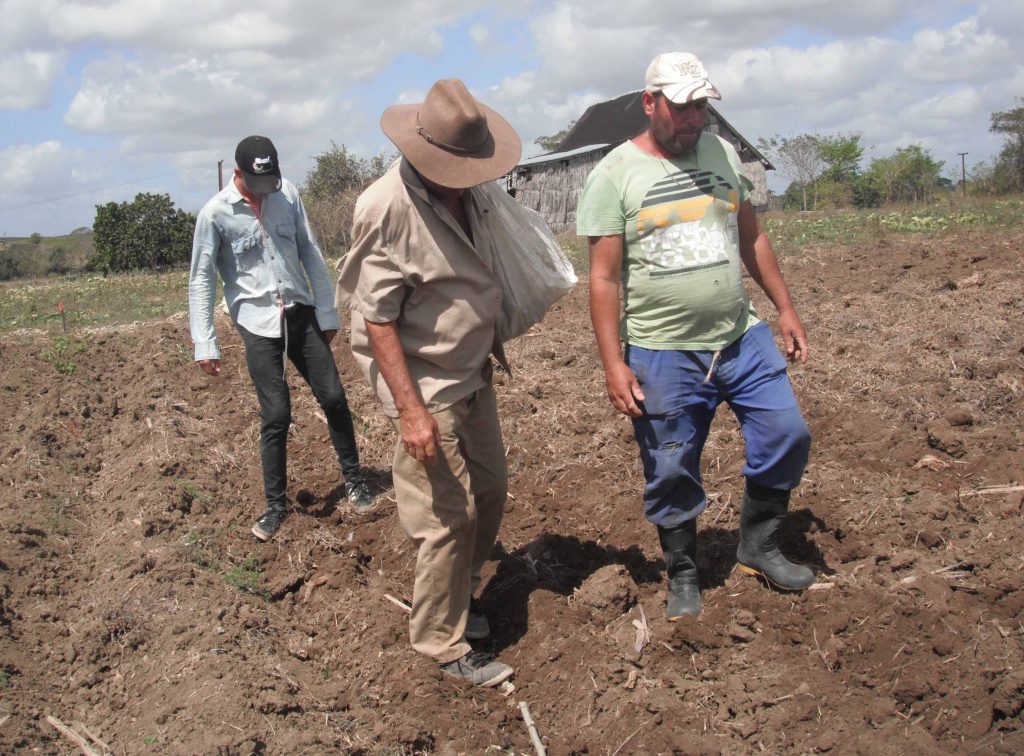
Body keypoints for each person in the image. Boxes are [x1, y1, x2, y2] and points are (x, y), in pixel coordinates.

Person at [576, 53, 815, 620]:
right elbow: (604, 277)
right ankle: (683, 571)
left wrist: (785, 307)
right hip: (661, 351)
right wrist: (614, 363)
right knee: (672, 466)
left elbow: (750, 237)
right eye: (681, 108)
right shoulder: (614, 174)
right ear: (651, 103)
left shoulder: (722, 152)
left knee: (788, 433)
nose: (693, 120)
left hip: (738, 334)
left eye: (701, 107)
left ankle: (758, 544)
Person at [336, 80, 523, 687]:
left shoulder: (473, 194)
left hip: (471, 374)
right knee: (446, 516)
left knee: (490, 490)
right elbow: (377, 317)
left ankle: (461, 595)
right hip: (425, 386)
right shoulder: (385, 207)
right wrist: (412, 413)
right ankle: (440, 641)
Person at [189, 135, 374, 542]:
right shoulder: (215, 214)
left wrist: (327, 310)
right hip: (256, 323)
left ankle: (355, 480)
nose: (264, 190)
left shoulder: (286, 193)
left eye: (270, 179)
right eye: (256, 183)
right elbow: (202, 278)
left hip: (299, 311)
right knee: (276, 415)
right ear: (237, 174)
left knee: (334, 397)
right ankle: (275, 506)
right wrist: (205, 342)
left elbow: (309, 250)